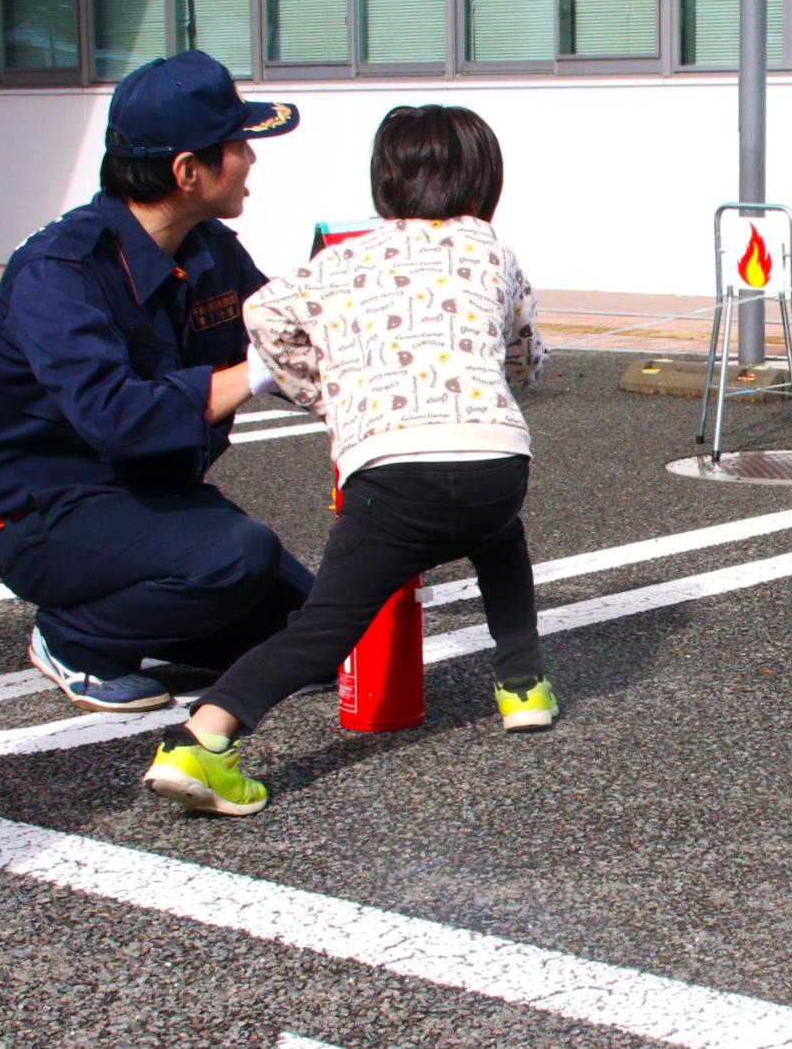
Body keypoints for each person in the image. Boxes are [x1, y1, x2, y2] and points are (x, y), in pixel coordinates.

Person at [143, 104, 555, 818]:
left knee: (325, 626)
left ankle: (201, 738)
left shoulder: (339, 261)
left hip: (391, 475)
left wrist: (324, 390)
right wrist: (490, 385)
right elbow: (526, 356)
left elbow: (262, 314)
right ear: (484, 180)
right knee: (499, 537)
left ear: (385, 181)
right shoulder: (494, 249)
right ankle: (522, 686)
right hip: (495, 463)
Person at [0, 50, 311, 714]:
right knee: (239, 557)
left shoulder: (209, 247)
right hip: (45, 512)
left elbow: (287, 338)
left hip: (151, 498)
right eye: (237, 144)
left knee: (317, 632)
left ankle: (153, 611)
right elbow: (116, 416)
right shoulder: (59, 270)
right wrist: (261, 370)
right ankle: (74, 638)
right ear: (187, 170)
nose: (251, 158)